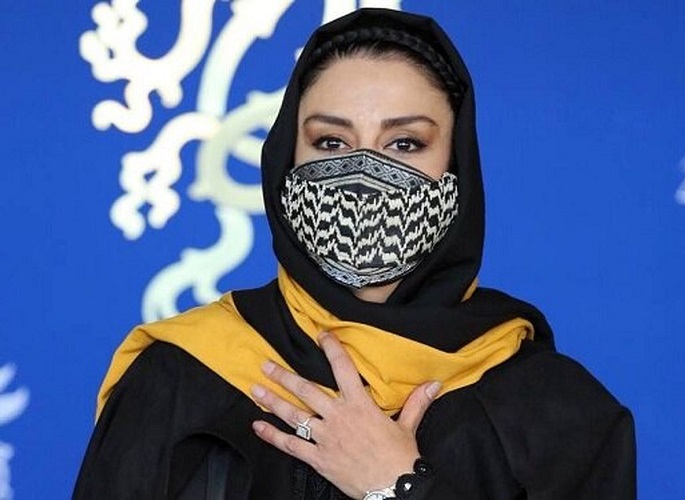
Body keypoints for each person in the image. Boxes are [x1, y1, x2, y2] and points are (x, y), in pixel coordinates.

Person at [74, 8, 636, 499]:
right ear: (286, 161)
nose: (364, 173)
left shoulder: (554, 411)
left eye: (405, 144)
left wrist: (398, 487)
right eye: (331, 142)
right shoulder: (180, 375)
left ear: (457, 167)